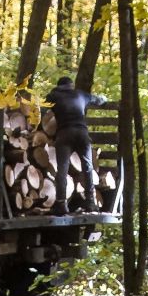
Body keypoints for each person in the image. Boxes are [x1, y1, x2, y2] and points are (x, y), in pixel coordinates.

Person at [44, 76, 107, 214]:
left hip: (64, 134)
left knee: (62, 169)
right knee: (87, 167)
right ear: (70, 85)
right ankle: (90, 202)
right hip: (82, 133)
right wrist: (104, 98)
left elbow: (42, 108)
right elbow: (99, 100)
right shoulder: (80, 94)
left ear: (58, 85)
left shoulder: (53, 96)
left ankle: (61, 204)